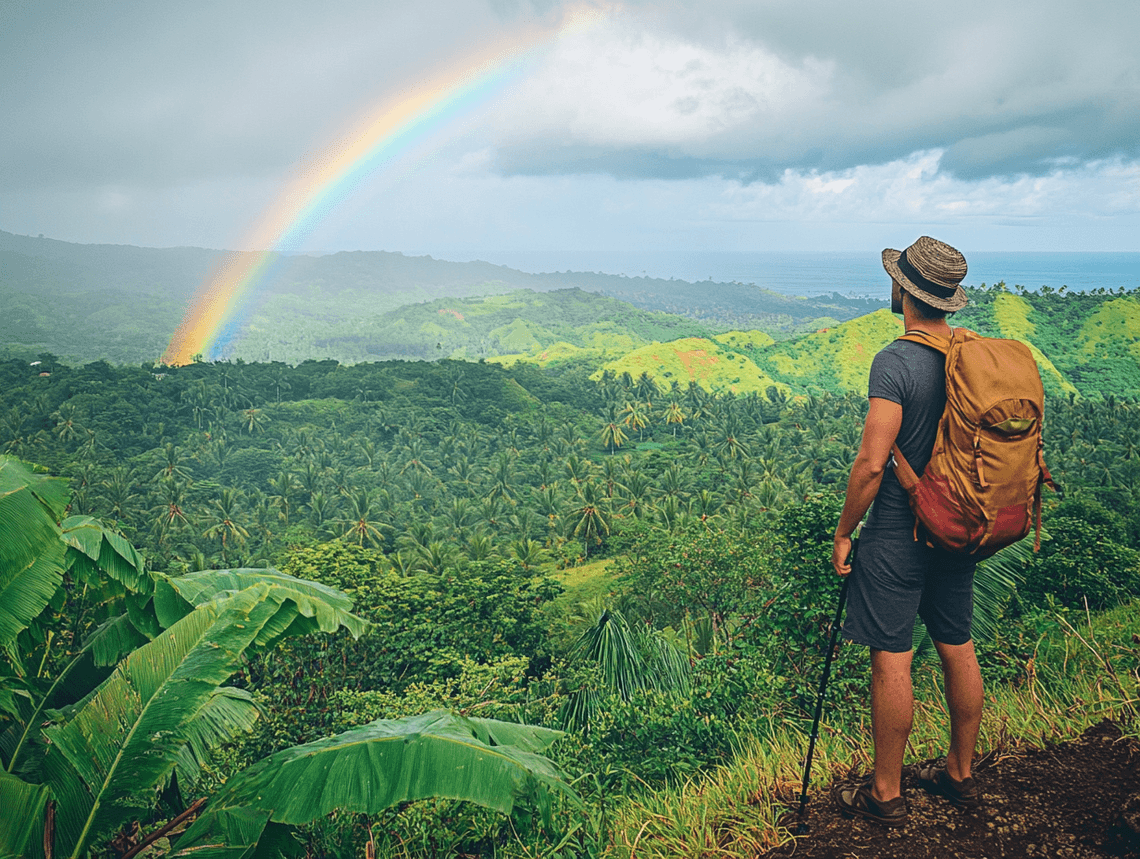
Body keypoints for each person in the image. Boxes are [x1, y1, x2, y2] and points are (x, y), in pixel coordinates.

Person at [830, 236, 984, 827]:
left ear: (903, 290)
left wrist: (846, 531)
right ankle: (960, 774)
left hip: (899, 530)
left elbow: (872, 462)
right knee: (956, 643)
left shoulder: (895, 361)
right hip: (960, 524)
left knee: (893, 659)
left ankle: (886, 794)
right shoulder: (970, 357)